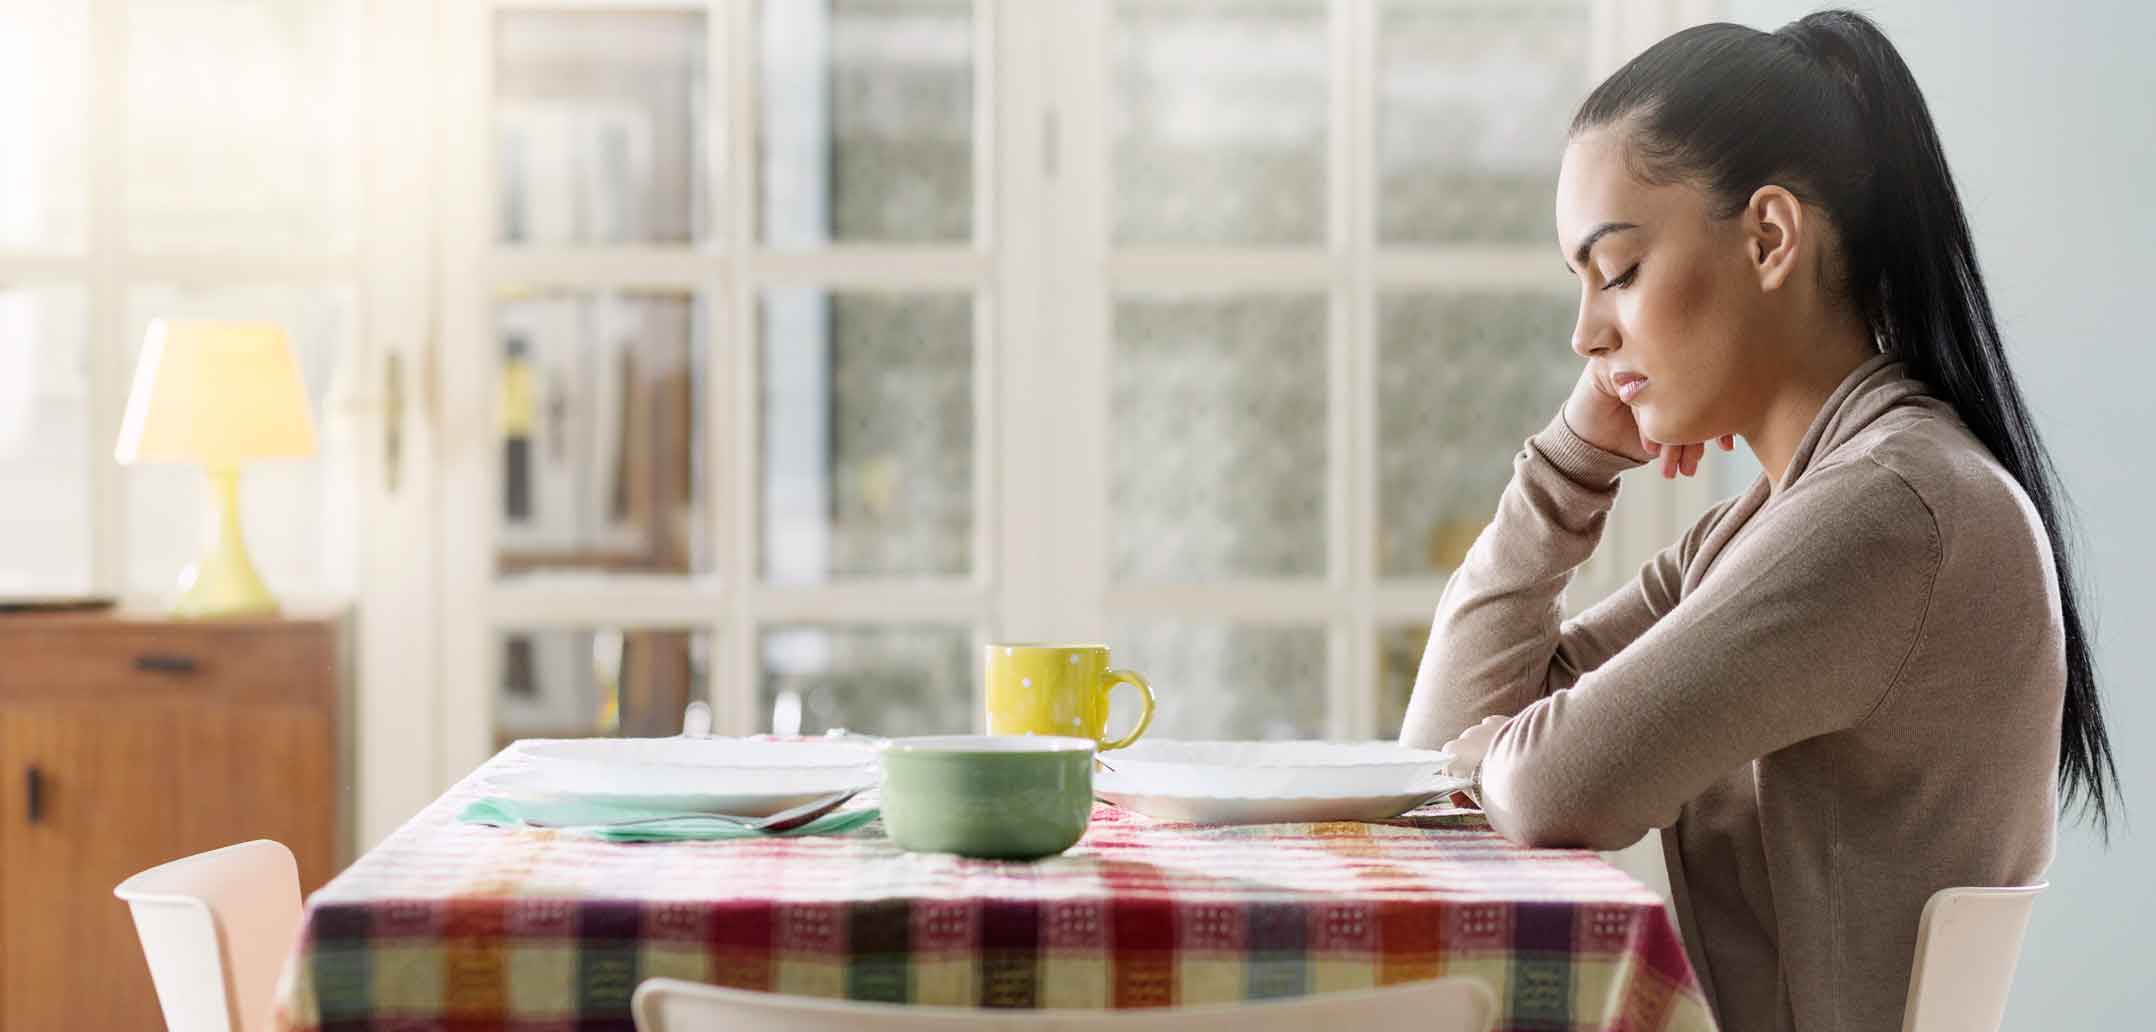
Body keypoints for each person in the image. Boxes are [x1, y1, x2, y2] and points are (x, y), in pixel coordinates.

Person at [1395, 11, 2119, 1031]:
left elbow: (1558, 784)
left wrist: (1491, 759)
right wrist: (1568, 468)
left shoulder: (1889, 514)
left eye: (1618, 271)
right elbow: (1436, 758)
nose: (1585, 332)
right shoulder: (1783, 520)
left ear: (1769, 236)